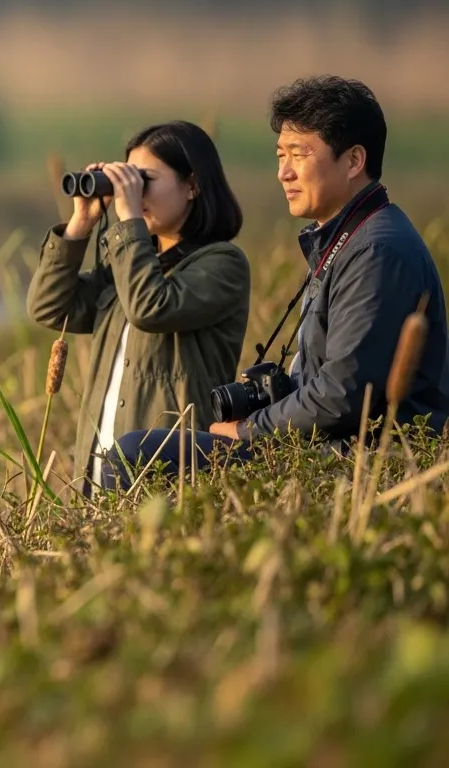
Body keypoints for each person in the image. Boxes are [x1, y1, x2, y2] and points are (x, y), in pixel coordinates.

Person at [101, 75, 449, 491]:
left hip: (358, 462)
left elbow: (342, 394)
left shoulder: (377, 251)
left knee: (139, 454)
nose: (283, 172)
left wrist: (250, 430)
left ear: (354, 161)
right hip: (325, 448)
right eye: (280, 155)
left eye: (299, 154)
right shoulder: (349, 237)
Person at [26, 119, 250, 494]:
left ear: (192, 185)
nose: (134, 193)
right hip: (98, 480)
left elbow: (151, 308)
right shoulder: (127, 266)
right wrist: (80, 223)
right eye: (127, 180)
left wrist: (128, 220)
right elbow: (49, 307)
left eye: (143, 180)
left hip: (167, 479)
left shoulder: (223, 264)